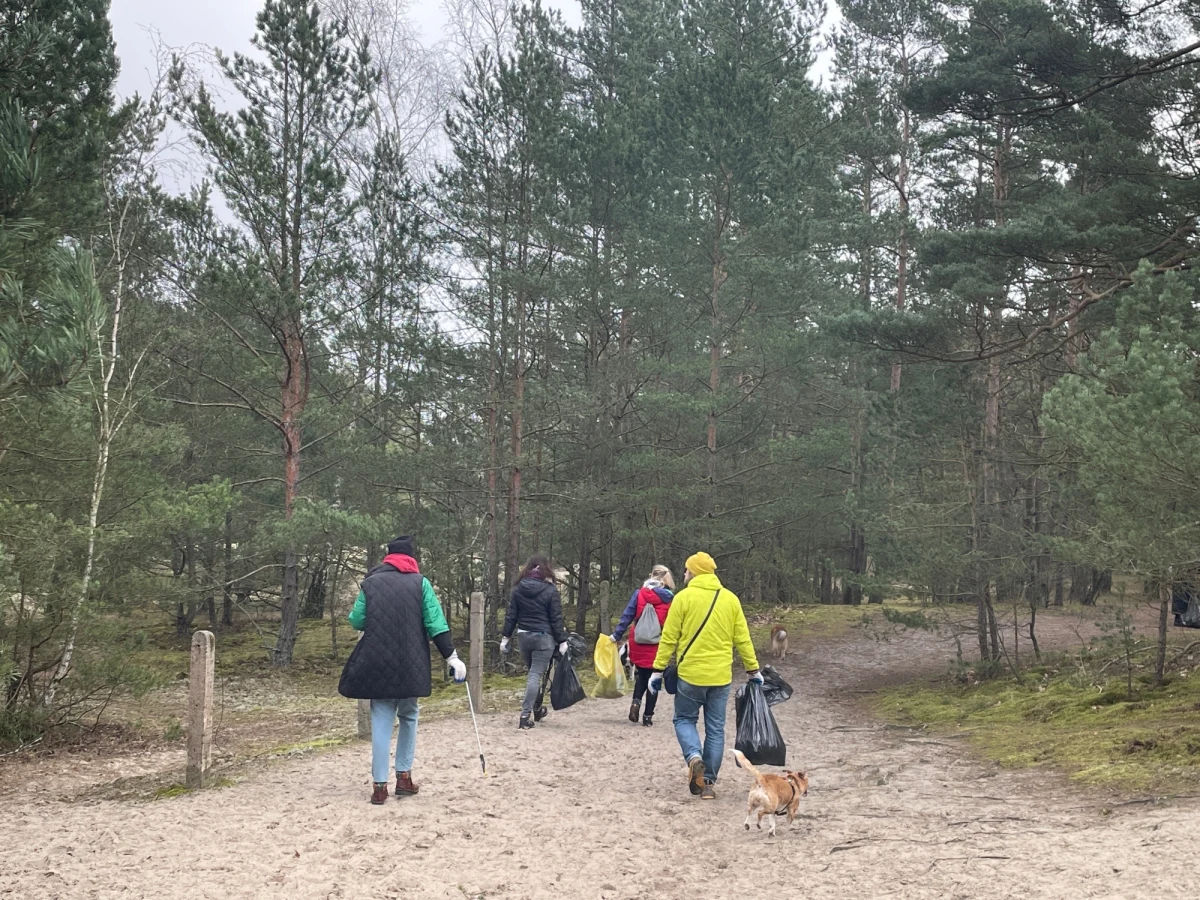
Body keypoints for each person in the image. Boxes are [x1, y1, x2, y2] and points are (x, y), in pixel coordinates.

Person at [338, 536, 467, 805]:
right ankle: (404, 777)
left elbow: (356, 620)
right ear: (411, 557)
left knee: (381, 720)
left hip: (377, 660)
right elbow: (436, 624)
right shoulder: (420, 583)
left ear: (388, 557)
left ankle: (379, 786)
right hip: (411, 661)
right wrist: (451, 657)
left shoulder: (371, 583)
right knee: (409, 715)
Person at [648, 551, 760, 801]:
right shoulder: (730, 599)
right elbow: (742, 638)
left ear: (694, 572)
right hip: (720, 677)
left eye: (687, 569)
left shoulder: (683, 598)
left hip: (690, 675)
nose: (684, 574)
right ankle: (708, 783)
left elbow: (669, 638)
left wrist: (657, 670)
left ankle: (693, 757)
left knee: (684, 719)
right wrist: (753, 670)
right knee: (716, 728)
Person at [501, 555, 569, 730]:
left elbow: (511, 616)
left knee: (533, 673)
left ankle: (537, 710)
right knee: (535, 675)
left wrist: (505, 637)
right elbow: (556, 618)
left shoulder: (518, 589)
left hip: (524, 637)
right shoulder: (550, 590)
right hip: (544, 638)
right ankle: (525, 716)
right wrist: (562, 641)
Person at [610, 565, 675, 726]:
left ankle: (635, 703)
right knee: (654, 678)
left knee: (642, 675)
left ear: (651, 575)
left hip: (638, 640)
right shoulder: (669, 598)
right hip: (657, 643)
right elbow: (673, 624)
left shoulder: (639, 594)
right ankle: (647, 717)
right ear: (667, 579)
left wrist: (616, 635)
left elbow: (627, 615)